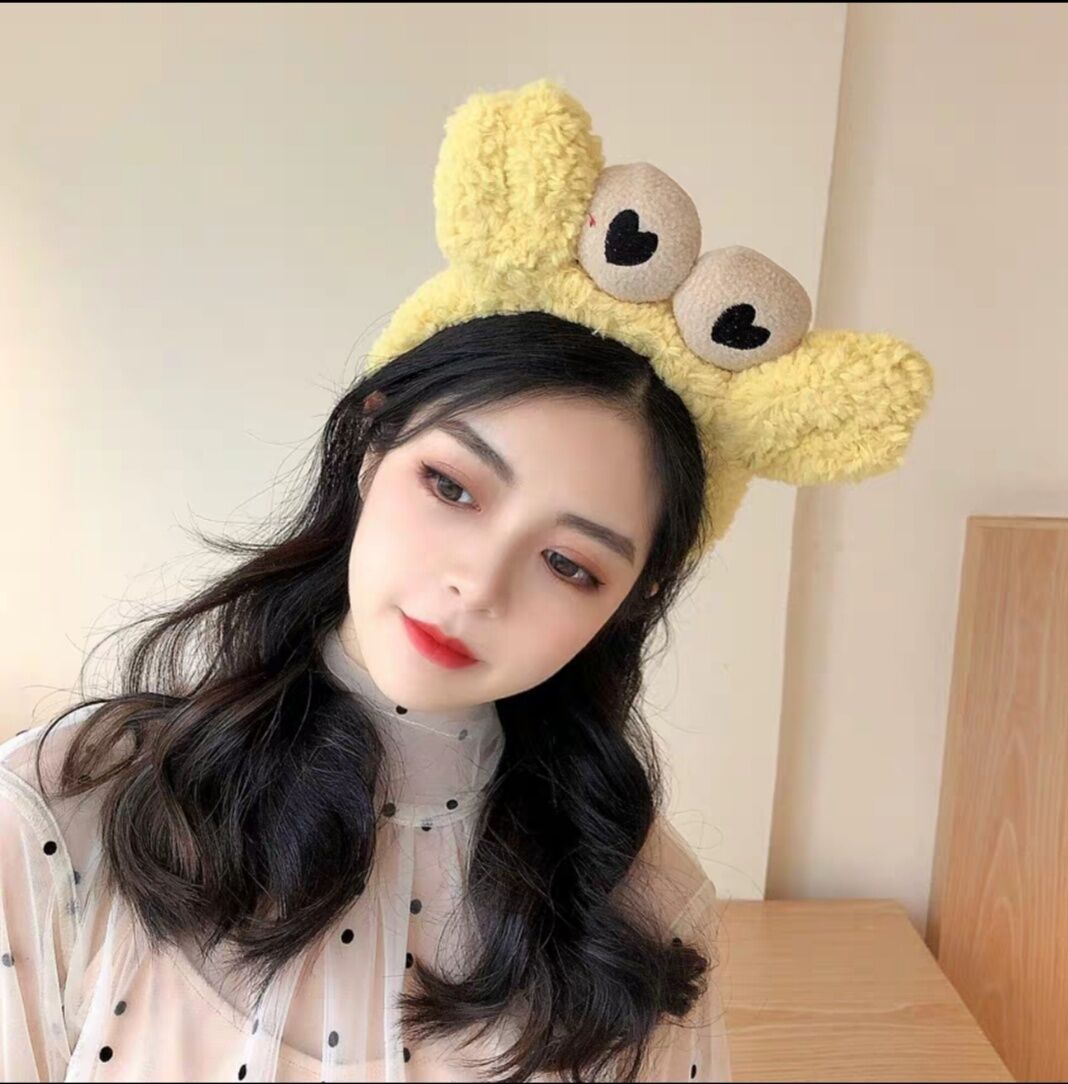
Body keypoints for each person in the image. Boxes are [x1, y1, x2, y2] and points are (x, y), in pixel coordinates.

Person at [0, 78, 933, 1083]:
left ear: (626, 605)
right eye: (451, 486)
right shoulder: (64, 815)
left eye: (570, 564)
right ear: (370, 446)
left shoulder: (640, 913)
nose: (479, 584)